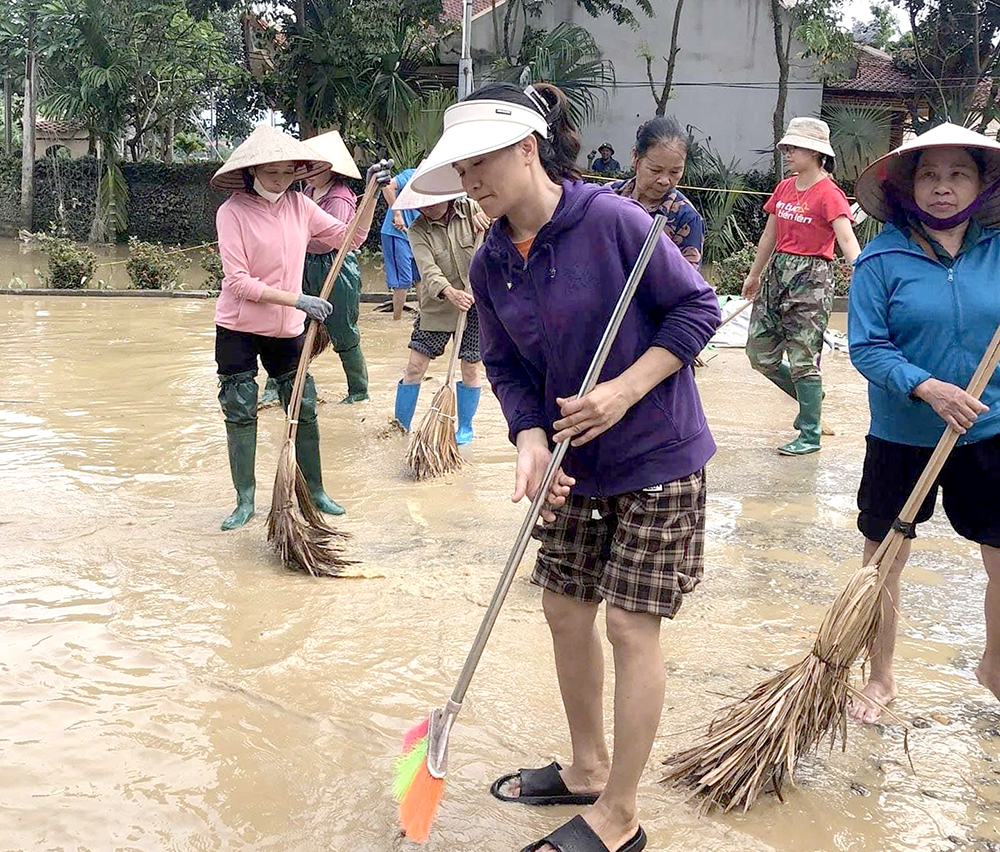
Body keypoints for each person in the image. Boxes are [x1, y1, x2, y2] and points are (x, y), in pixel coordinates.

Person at [412, 82, 720, 852]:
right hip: (571, 463)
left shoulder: (614, 222)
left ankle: (620, 814)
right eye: (462, 171)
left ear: (527, 148)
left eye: (482, 163)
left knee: (628, 625)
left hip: (656, 454)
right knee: (562, 608)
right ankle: (586, 769)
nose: (473, 183)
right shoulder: (490, 262)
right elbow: (510, 367)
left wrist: (621, 390)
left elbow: (698, 311)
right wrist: (528, 440)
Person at [847, 123, 1000, 723]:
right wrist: (928, 387)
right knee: (883, 560)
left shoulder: (998, 248)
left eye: (958, 173)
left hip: (989, 430)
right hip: (904, 433)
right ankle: (879, 677)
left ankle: (996, 666)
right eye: (929, 175)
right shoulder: (881, 258)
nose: (943, 188)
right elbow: (867, 346)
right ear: (909, 187)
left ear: (981, 184)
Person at [211, 125, 390, 531]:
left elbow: (349, 239)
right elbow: (237, 281)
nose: (281, 180)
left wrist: (373, 196)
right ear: (252, 171)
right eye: (272, 172)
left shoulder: (300, 206)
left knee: (303, 407)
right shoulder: (232, 212)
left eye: (288, 172)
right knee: (240, 409)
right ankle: (245, 500)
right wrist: (298, 299)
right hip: (239, 326)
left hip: (287, 329)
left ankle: (316, 490)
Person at [741, 116, 861, 456]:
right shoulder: (784, 188)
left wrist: (865, 274)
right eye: (789, 147)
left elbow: (847, 240)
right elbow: (769, 235)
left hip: (812, 278)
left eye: (794, 148)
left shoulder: (830, 194)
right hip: (778, 271)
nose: (788, 153)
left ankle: (810, 434)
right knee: (759, 353)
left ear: (815, 151)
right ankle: (811, 398)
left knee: (803, 359)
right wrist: (754, 274)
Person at [258, 129, 370, 407]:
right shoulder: (308, 191)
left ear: (331, 168)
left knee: (342, 329)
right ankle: (281, 384)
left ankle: (358, 391)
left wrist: (295, 236)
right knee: (289, 325)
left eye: (313, 166)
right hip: (302, 265)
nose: (307, 172)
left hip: (334, 269)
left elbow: (332, 242)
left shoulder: (340, 197)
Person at [390, 175, 488, 443]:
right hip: (438, 305)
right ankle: (400, 428)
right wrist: (449, 292)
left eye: (430, 201)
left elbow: (504, 233)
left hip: (476, 304)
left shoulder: (472, 208)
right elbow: (428, 269)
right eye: (419, 203)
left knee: (470, 366)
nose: (425, 207)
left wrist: (488, 221)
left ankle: (465, 428)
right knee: (415, 367)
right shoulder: (417, 230)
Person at [611, 116, 704, 269]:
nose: (664, 180)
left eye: (675, 172)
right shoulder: (608, 196)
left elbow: (687, 283)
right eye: (655, 170)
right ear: (635, 157)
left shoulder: (686, 218)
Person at [380, 168, 421, 320]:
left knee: (421, 278)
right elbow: (387, 185)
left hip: (416, 233)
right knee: (403, 281)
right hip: (396, 232)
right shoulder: (412, 174)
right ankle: (396, 321)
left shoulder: (436, 182)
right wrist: (397, 214)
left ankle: (424, 318)